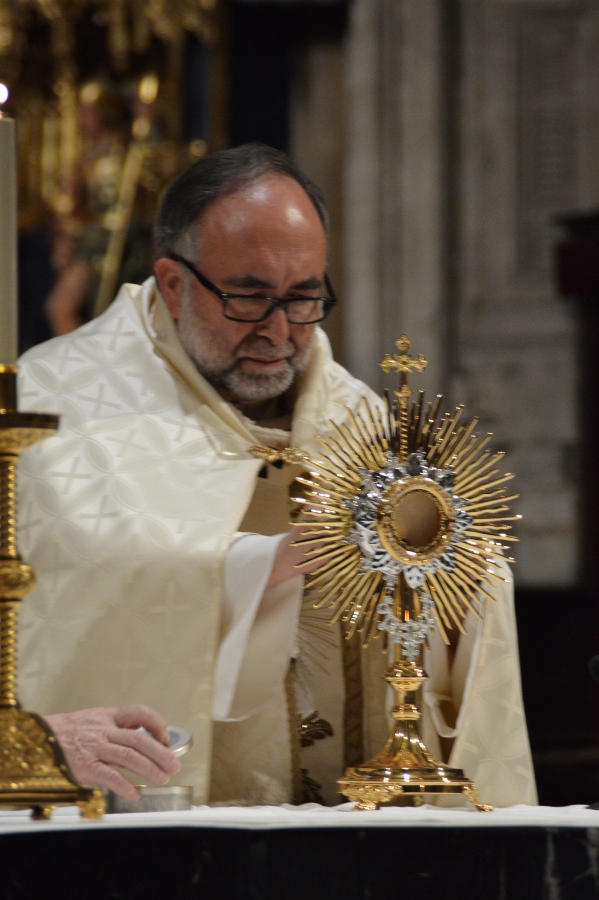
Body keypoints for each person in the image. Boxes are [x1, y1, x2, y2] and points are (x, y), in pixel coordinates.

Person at [17, 144, 537, 807]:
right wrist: (260, 571)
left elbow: (454, 578)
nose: (279, 331)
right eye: (248, 297)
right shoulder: (47, 404)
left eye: (304, 298)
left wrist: (461, 584)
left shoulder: (358, 418)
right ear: (174, 283)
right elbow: (106, 570)